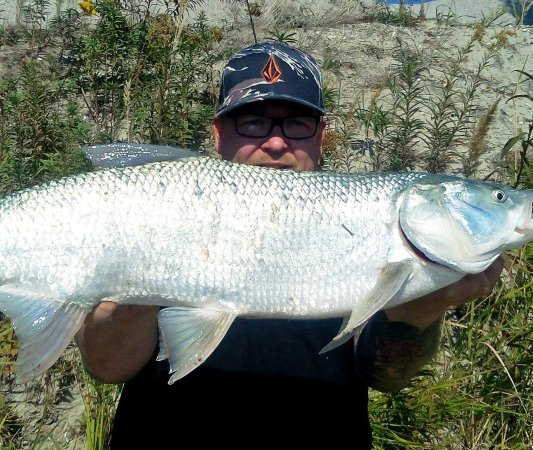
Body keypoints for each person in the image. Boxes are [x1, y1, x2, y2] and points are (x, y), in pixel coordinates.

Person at [75, 42, 504, 448]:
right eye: (254, 121)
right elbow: (108, 368)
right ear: (219, 133)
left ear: (320, 136)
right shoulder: (157, 207)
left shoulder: (359, 223)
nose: (277, 142)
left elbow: (384, 376)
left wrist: (422, 307)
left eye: (297, 123)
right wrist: (141, 278)